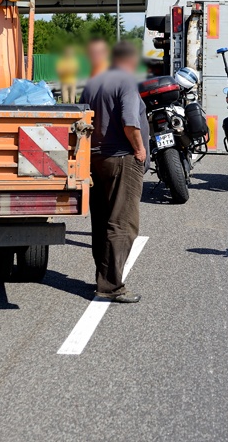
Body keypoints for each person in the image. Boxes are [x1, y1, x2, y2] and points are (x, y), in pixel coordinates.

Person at [79, 42, 148, 303]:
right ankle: (111, 287)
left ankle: (103, 277)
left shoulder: (93, 82)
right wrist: (140, 150)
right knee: (123, 224)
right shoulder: (125, 82)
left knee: (102, 221)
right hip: (121, 159)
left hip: (96, 159)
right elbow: (130, 121)